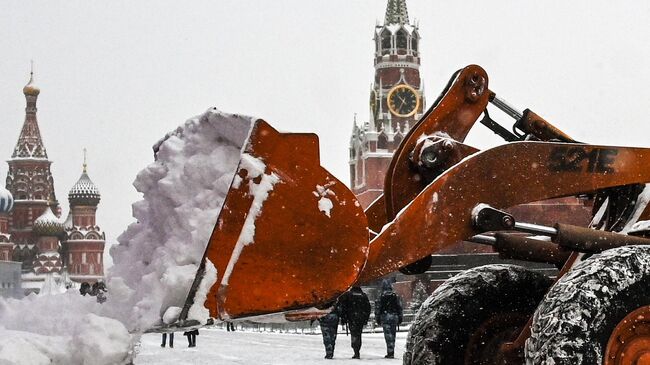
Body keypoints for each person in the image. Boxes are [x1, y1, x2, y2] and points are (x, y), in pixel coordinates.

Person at [338, 286, 371, 359]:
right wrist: (365, 318)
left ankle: (356, 350)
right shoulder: (363, 295)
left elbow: (344, 307)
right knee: (359, 334)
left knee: (354, 334)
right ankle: (357, 348)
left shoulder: (348, 295)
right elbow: (368, 308)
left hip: (351, 318)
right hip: (360, 318)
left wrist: (343, 318)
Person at [375, 280, 403, 359]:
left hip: (385, 316)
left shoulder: (381, 296)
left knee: (388, 334)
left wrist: (377, 318)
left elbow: (378, 308)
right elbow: (400, 308)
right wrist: (400, 317)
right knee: (393, 334)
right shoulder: (395, 296)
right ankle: (392, 350)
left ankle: (390, 351)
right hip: (394, 316)